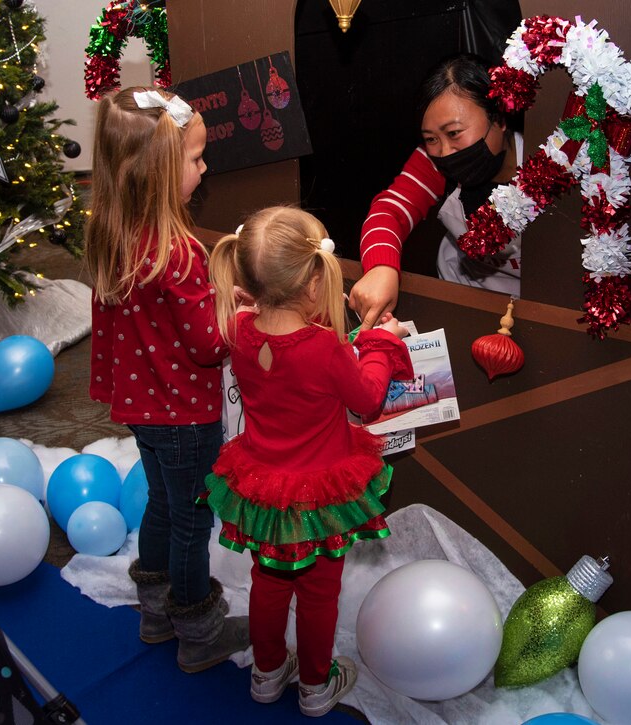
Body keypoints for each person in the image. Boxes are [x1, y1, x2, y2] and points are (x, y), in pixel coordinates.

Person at [205, 206, 413, 717]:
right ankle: (317, 686)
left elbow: (249, 316)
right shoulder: (324, 348)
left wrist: (246, 300)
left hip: (262, 488)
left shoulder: (239, 330)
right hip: (319, 497)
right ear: (315, 280)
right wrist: (383, 343)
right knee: (320, 592)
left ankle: (267, 673)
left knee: (268, 583)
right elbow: (366, 399)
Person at [84, 86, 248, 672]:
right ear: (155, 172)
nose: (205, 170)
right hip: (184, 412)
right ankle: (197, 630)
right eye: (197, 159)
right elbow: (207, 345)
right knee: (191, 520)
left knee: (161, 504)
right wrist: (238, 312)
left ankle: (154, 613)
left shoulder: (111, 231)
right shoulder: (176, 251)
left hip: (140, 404)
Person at [349, 53, 524, 329]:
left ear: (499, 119)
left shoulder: (549, 163)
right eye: (431, 138)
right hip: (461, 293)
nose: (444, 151)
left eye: (454, 133)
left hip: (533, 305)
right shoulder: (434, 164)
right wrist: (381, 267)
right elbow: (389, 211)